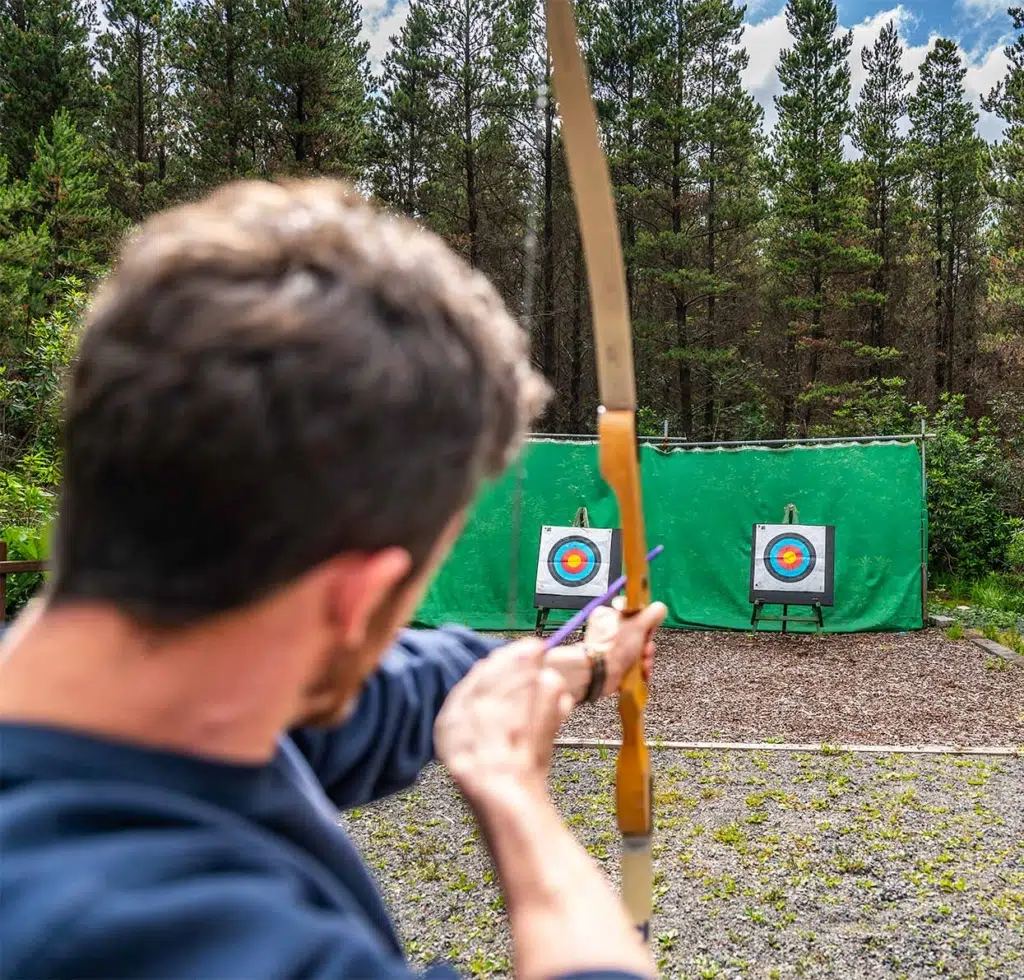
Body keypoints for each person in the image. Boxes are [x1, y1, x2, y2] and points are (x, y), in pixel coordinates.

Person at [0, 179, 668, 980]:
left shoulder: (172, 703)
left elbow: (398, 693)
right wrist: (515, 801)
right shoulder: (124, 935)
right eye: (409, 593)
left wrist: (591, 663)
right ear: (352, 599)